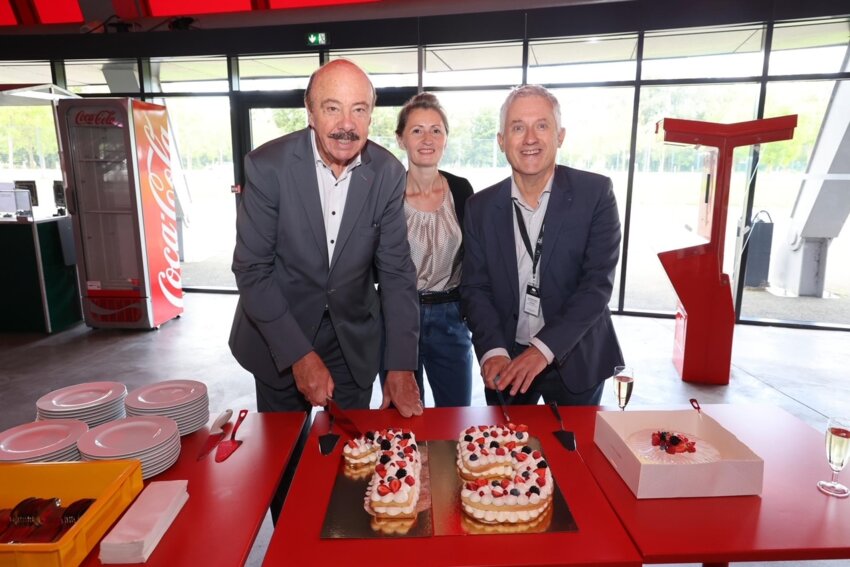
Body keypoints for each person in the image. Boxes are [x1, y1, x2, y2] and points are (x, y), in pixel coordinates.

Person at [229, 59, 423, 419]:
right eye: (332, 108)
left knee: (352, 460)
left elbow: (396, 272)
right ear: (310, 112)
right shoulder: (267, 166)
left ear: (371, 115)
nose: (346, 125)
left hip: (352, 341)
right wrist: (298, 355)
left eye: (359, 110)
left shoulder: (388, 174)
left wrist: (400, 364)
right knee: (284, 460)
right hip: (279, 333)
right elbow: (253, 270)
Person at [460, 85, 624, 407]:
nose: (530, 138)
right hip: (507, 360)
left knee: (574, 452)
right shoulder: (479, 207)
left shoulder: (596, 194)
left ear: (560, 135)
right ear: (501, 140)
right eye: (518, 127)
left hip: (575, 354)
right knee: (504, 454)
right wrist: (492, 350)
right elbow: (475, 288)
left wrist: (542, 350)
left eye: (542, 125)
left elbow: (596, 287)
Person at [387, 92, 474, 406]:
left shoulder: (462, 190)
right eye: (417, 130)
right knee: (405, 420)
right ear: (401, 139)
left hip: (451, 318)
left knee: (456, 415)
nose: (427, 138)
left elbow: (476, 259)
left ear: (446, 138)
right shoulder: (386, 194)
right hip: (398, 319)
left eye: (436, 130)